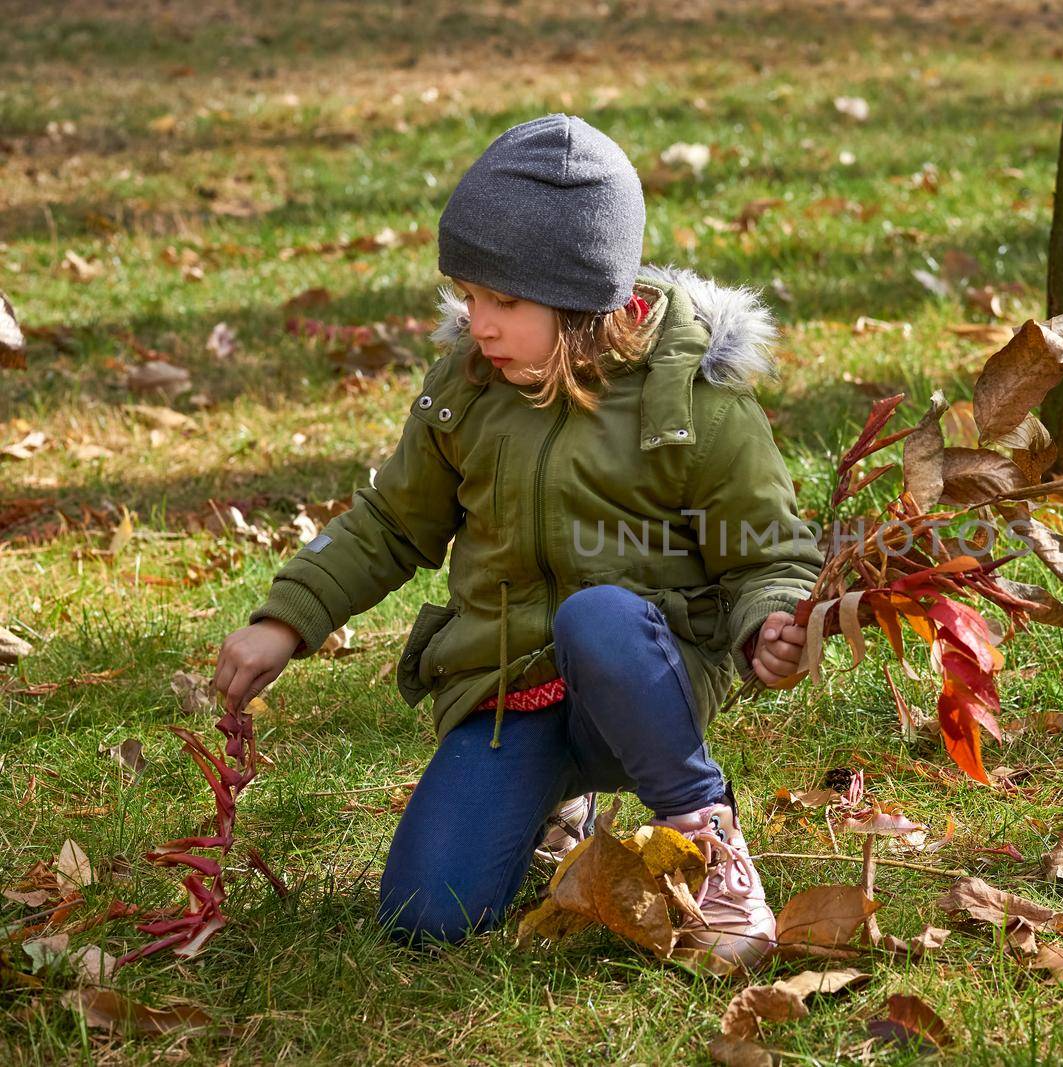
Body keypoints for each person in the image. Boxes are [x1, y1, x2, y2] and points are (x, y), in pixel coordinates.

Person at [210, 114, 823, 970]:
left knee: (598, 617)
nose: (478, 323)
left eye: (504, 302)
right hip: (512, 688)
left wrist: (771, 624)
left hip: (647, 679)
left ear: (581, 299)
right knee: (427, 915)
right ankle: (547, 809)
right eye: (468, 295)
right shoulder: (468, 388)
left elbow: (768, 549)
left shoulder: (694, 403)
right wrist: (288, 618)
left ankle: (704, 830)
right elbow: (393, 522)